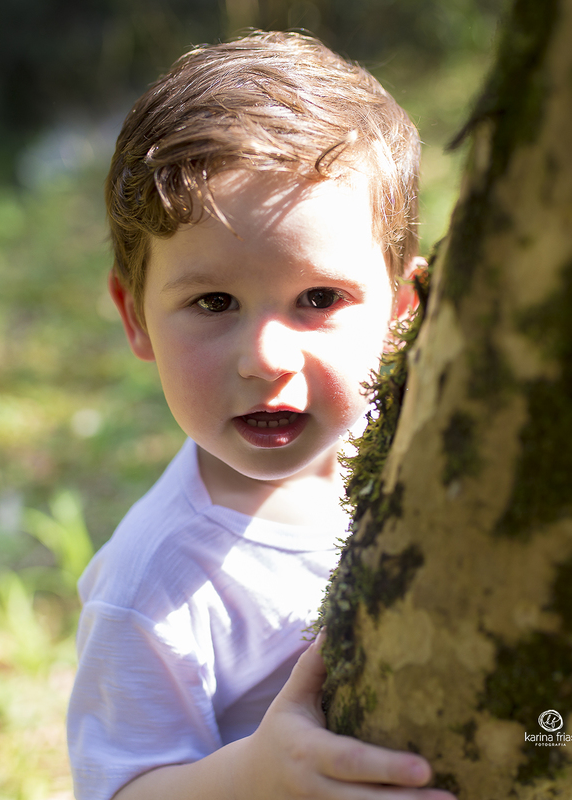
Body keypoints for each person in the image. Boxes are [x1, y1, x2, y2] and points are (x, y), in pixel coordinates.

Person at [67, 30, 454, 800]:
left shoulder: (427, 457)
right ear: (135, 316)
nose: (266, 358)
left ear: (401, 310)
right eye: (213, 303)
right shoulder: (154, 584)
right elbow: (120, 788)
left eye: (319, 300)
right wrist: (258, 777)